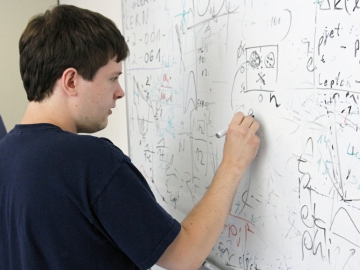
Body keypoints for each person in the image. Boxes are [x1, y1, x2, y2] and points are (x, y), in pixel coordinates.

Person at [0, 4, 260, 270]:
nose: (120, 92)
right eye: (112, 78)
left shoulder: (5, 153)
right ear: (71, 81)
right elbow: (184, 256)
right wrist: (232, 164)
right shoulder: (89, 161)